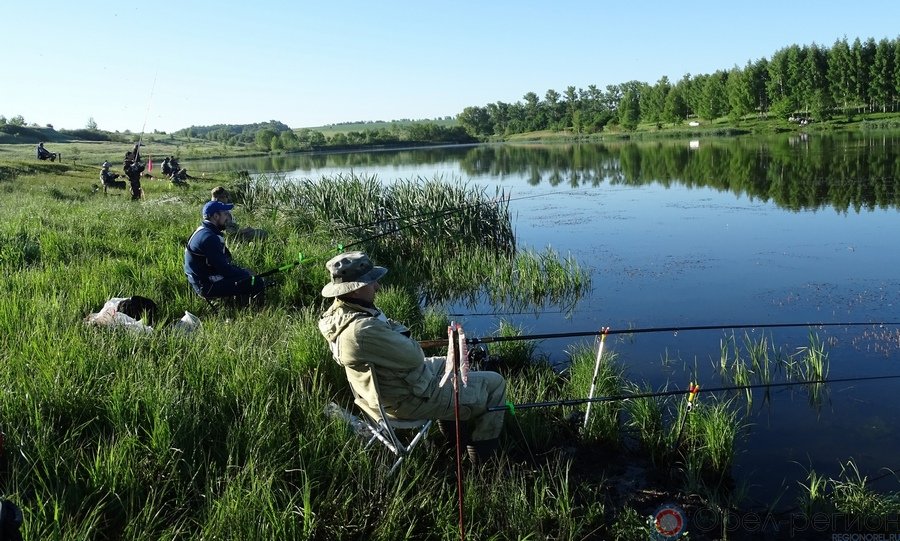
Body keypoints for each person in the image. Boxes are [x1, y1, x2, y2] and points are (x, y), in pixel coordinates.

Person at [317, 251, 506, 463]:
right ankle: (484, 460)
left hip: (382, 391)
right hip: (406, 399)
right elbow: (415, 356)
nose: (377, 287)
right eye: (371, 283)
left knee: (452, 364)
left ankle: (453, 438)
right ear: (355, 290)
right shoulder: (363, 330)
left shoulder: (338, 314)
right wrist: (398, 334)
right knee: (495, 384)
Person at [184, 200, 266, 301]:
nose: (228, 217)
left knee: (247, 273)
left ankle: (239, 300)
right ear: (216, 216)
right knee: (256, 281)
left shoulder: (202, 230)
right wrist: (246, 274)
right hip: (206, 286)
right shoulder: (209, 238)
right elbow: (225, 270)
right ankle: (255, 310)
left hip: (201, 279)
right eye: (225, 214)